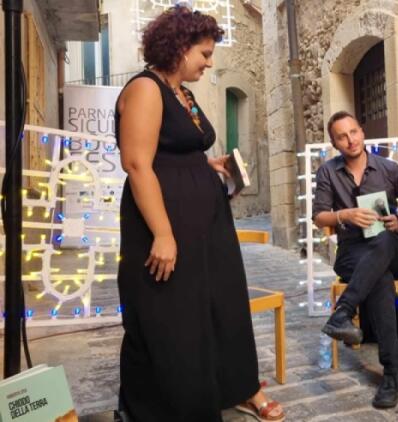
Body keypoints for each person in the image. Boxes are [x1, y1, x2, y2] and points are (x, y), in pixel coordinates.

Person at [115, 6, 284, 421]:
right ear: (180, 47)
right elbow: (137, 164)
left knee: (222, 303)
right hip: (166, 222)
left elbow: (174, 152)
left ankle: (236, 386)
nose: (209, 63)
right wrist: (162, 234)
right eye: (205, 54)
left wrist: (206, 166)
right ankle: (177, 406)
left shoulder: (182, 93)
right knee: (174, 314)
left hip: (207, 222)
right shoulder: (146, 88)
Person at [313, 111, 398, 409]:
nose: (350, 140)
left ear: (362, 132)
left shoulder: (389, 168)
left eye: (353, 132)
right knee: (380, 279)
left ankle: (342, 312)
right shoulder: (327, 172)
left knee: (385, 241)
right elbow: (319, 216)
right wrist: (345, 215)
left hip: (391, 245)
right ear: (334, 143)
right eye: (341, 136)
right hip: (352, 253)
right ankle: (392, 374)